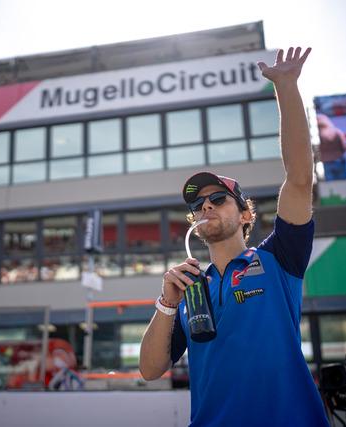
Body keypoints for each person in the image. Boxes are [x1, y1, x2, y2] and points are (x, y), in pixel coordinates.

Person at [139, 47, 329, 426]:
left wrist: (285, 86)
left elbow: (299, 179)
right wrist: (167, 303)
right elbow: (150, 369)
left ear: (245, 214)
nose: (206, 206)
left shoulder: (278, 258)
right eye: (199, 205)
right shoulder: (191, 290)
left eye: (218, 199)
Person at [317, 113, 346, 180]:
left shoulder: (316, 136)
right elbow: (344, 146)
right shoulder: (336, 131)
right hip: (339, 161)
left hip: (326, 163)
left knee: (331, 185)